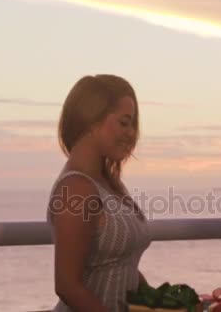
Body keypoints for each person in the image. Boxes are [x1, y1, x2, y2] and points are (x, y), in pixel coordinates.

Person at [47, 74, 151, 312]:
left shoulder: (109, 183)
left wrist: (161, 301)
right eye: (124, 123)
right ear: (91, 121)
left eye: (133, 124)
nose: (131, 133)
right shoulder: (77, 189)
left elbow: (123, 267)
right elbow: (67, 286)